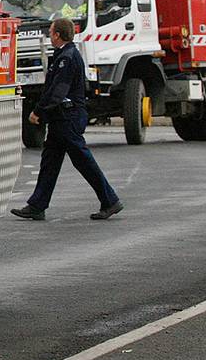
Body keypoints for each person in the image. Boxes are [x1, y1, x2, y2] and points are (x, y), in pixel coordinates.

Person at [12, 16, 125, 221]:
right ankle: (37, 205)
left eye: (51, 32)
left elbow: (57, 91)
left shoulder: (67, 57)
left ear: (57, 34)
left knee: (83, 161)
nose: (49, 36)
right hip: (61, 118)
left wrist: (38, 111)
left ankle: (110, 201)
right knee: (50, 162)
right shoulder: (62, 54)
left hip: (68, 117)